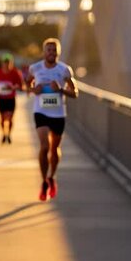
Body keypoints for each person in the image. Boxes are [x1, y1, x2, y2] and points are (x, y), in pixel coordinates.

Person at [25, 38, 78, 201]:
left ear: (58, 52)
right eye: (48, 50)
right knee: (44, 146)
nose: (51, 53)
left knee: (54, 149)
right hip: (40, 112)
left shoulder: (64, 70)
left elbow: (75, 93)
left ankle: (52, 177)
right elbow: (27, 85)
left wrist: (61, 89)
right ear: (44, 52)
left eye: (54, 50)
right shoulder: (35, 68)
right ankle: (43, 181)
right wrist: (34, 89)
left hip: (58, 114)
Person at [0, 53, 24, 144]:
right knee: (2, 118)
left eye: (8, 62)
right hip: (1, 98)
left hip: (11, 98)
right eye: (5, 62)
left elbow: (21, 86)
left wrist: (13, 87)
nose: (6, 64)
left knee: (10, 118)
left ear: (11, 63)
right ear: (2, 63)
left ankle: (9, 134)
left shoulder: (16, 72)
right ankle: (3, 133)